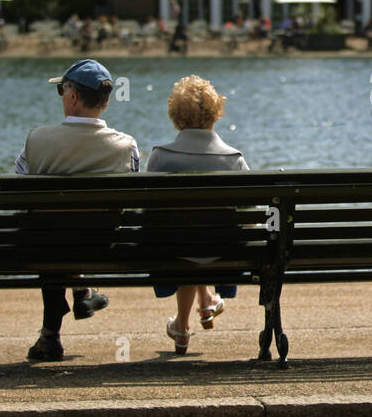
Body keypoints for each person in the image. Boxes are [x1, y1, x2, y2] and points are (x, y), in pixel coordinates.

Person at [14, 59, 140, 360]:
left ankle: (53, 332)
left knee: (48, 230)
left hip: (41, 249)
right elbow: (133, 202)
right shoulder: (126, 147)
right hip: (103, 248)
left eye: (61, 90)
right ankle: (80, 293)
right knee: (69, 230)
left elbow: (17, 198)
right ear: (106, 101)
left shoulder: (37, 141)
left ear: (71, 97)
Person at [145, 75, 248, 354]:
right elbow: (250, 217)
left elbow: (147, 214)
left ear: (176, 117)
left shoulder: (160, 157)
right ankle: (203, 304)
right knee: (202, 232)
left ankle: (185, 322)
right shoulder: (233, 160)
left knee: (187, 235)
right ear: (215, 114)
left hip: (173, 251)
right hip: (222, 253)